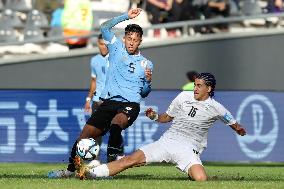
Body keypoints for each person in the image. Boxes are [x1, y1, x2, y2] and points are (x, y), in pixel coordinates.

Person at [79, 72, 246, 181]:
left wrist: (239, 130)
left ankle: (195, 173)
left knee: (201, 180)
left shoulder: (217, 108)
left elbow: (233, 123)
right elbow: (166, 117)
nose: (195, 88)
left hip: (188, 150)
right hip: (167, 142)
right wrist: (155, 117)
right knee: (130, 160)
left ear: (209, 89)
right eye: (195, 84)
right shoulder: (183, 97)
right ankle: (92, 173)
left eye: (199, 86)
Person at [48, 8, 153, 178]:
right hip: (109, 102)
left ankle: (111, 169)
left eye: (135, 40)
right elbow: (104, 27)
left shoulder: (146, 64)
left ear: (140, 41)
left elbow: (145, 93)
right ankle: (70, 170)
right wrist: (126, 16)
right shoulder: (116, 47)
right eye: (129, 38)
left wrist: (148, 82)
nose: (131, 42)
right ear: (124, 38)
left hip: (130, 104)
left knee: (116, 125)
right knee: (84, 136)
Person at [84, 34, 124, 163]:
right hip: (98, 101)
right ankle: (94, 161)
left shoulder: (117, 59)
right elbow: (94, 81)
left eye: (106, 44)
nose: (104, 47)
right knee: (96, 132)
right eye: (101, 44)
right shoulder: (94, 60)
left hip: (113, 101)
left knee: (115, 130)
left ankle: (115, 159)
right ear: (97, 44)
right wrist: (88, 100)